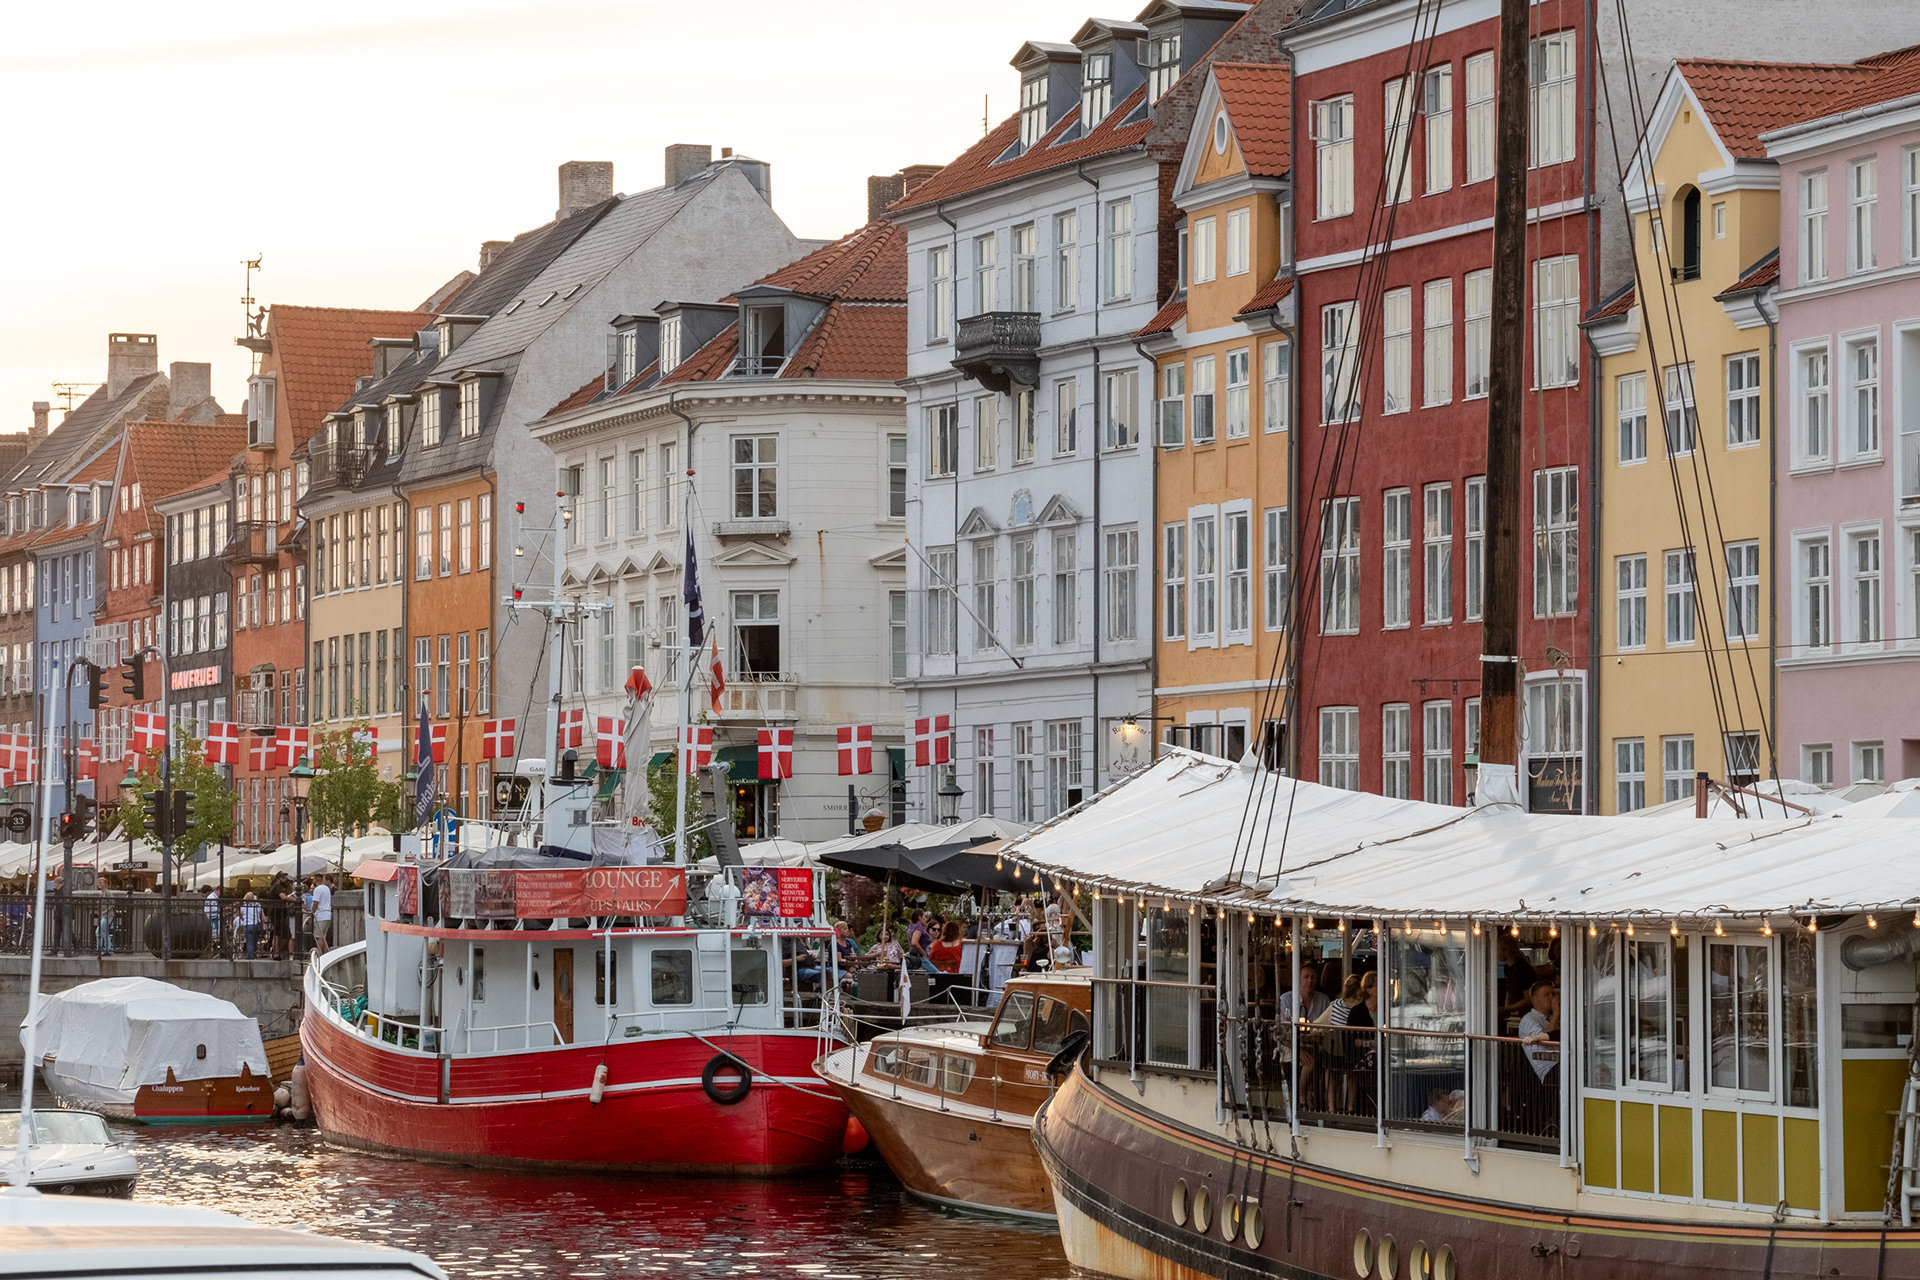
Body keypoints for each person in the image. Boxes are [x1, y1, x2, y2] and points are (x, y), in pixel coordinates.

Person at [1519, 979, 1561, 1083]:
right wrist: (1556, 1014)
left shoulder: (1549, 1020)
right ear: (1535, 999)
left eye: (1553, 994)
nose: (1551, 997)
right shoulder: (1528, 1019)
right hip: (1550, 1070)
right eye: (1547, 994)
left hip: (1561, 1063)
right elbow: (1546, 1042)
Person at [310, 877, 333, 956]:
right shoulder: (327, 888)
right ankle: (325, 954)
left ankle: (319, 954)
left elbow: (316, 902)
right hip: (327, 914)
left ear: (316, 880)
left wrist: (312, 912)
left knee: (318, 936)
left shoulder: (317, 889)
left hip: (320, 915)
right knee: (323, 936)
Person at [238, 892, 265, 959]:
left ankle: (251, 957)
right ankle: (254, 955)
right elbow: (263, 918)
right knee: (255, 941)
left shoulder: (243, 907)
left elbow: (241, 917)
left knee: (249, 942)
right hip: (255, 924)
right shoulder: (258, 905)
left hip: (247, 924)